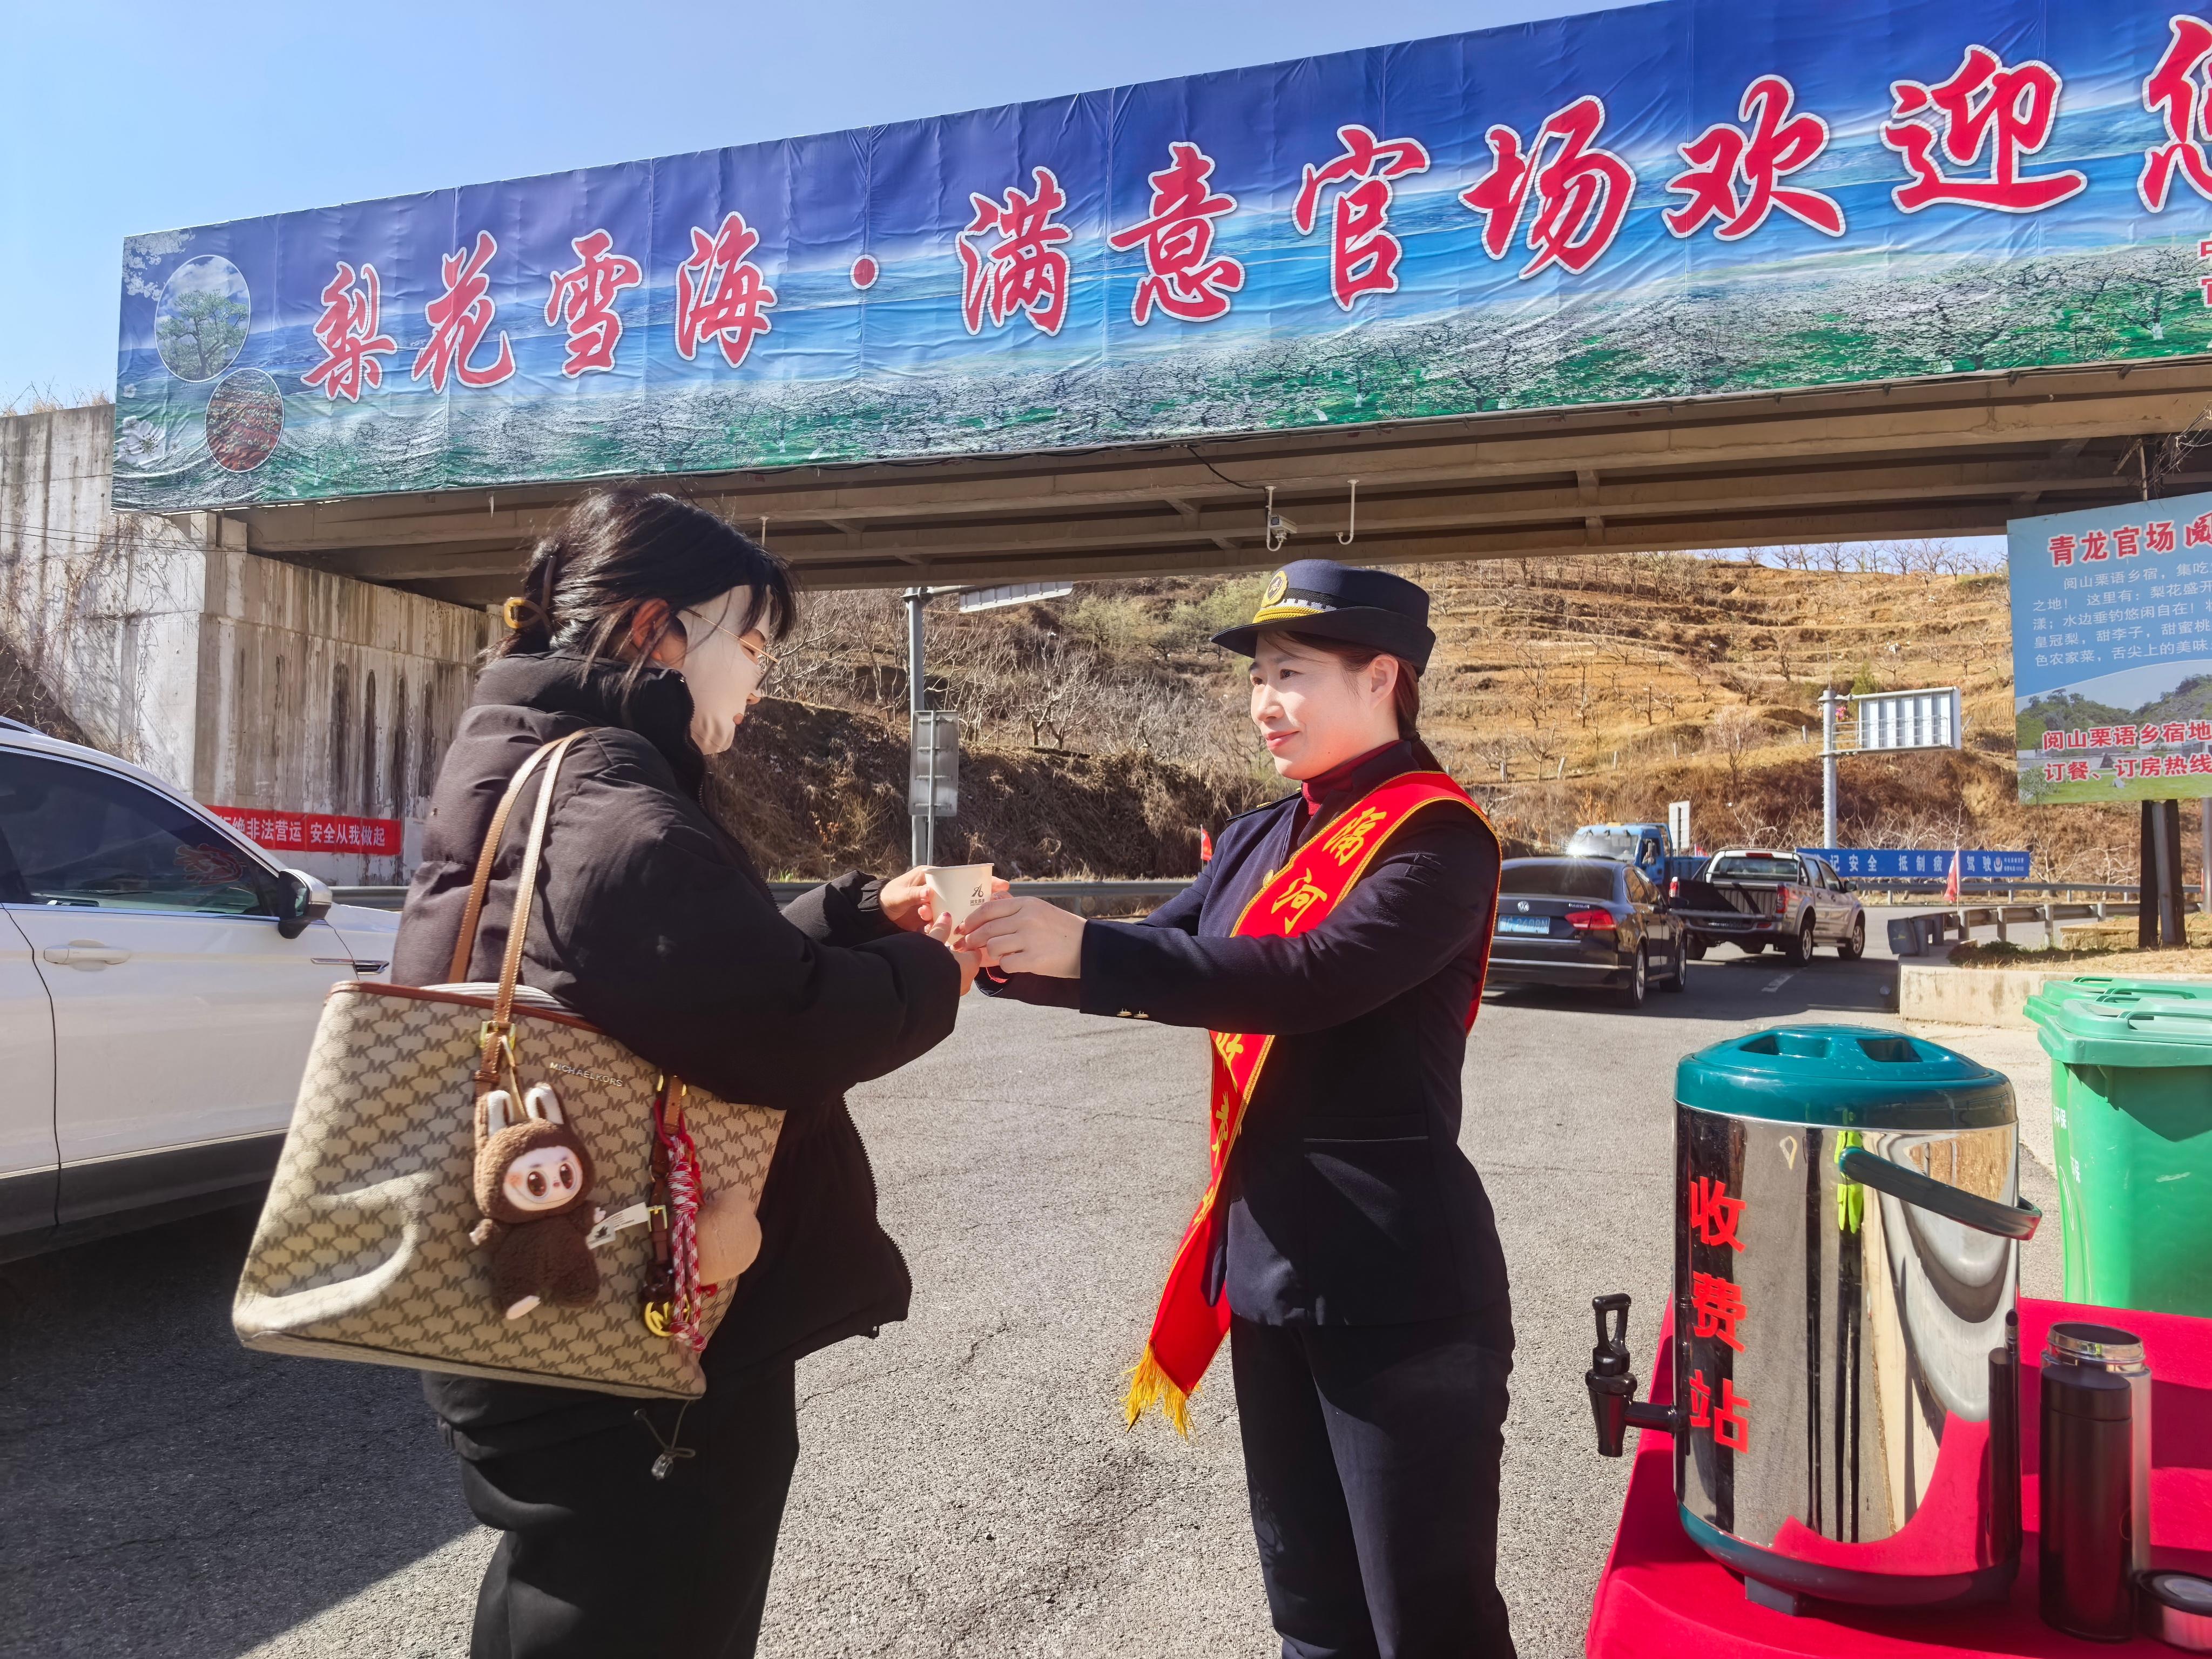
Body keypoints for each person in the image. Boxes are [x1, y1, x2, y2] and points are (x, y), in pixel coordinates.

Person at [390, 486, 975, 1658]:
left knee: (559, 1591)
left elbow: (663, 968)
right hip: (625, 1319)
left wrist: (852, 912)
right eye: (749, 643)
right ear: (658, 631)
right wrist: (935, 969)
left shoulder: (530, 751)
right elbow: (775, 1023)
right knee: (645, 1606)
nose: (758, 678)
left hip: (527, 1277)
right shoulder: (614, 801)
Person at [960, 559, 1513, 1659]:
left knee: (1426, 1622)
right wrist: (998, 947)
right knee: (1310, 1613)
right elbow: (1159, 954)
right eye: (1258, 676)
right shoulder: (1262, 835)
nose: (1264, 701)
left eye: (1292, 673)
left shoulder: (1438, 837)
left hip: (1396, 1286)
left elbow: (1309, 978)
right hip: (1266, 1269)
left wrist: (1085, 950)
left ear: (1382, 678)